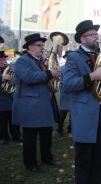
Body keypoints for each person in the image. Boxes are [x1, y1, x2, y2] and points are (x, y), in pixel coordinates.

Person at [62, 20, 101, 184]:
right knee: (84, 159)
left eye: (96, 34)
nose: (96, 37)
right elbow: (67, 85)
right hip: (85, 114)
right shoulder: (74, 57)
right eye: (92, 35)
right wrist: (92, 76)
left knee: (100, 157)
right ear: (82, 39)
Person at [12, 33, 60, 172]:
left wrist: (53, 76)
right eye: (39, 45)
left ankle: (47, 158)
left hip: (44, 102)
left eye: (42, 45)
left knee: (46, 133)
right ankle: (30, 163)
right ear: (30, 47)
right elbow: (28, 77)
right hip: (30, 105)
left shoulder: (40, 61)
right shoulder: (22, 60)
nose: (42, 48)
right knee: (30, 137)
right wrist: (49, 73)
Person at [0, 51, 21, 144]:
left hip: (11, 98)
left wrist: (13, 81)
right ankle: (4, 137)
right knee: (2, 121)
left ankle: (16, 136)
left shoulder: (9, 69)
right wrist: (2, 78)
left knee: (14, 119)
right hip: (1, 99)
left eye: (4, 59)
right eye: (1, 59)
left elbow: (16, 80)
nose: (4, 61)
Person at [57, 50, 72, 137]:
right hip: (65, 93)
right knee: (63, 113)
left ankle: (70, 130)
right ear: (66, 58)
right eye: (68, 57)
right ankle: (59, 128)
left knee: (72, 114)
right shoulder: (62, 68)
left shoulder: (74, 67)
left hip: (73, 93)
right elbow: (59, 80)